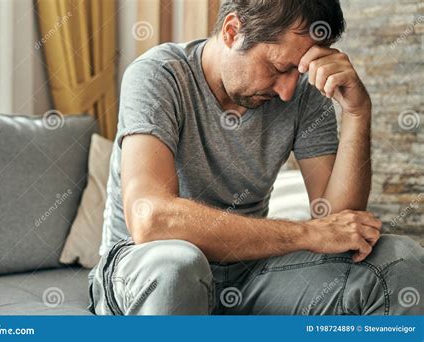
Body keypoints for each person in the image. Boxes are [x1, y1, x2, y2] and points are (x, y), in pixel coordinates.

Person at [89, 0, 423, 315]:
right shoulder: (159, 74)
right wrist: (305, 233)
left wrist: (357, 111)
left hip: (249, 274)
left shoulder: (303, 92)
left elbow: (338, 226)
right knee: (177, 265)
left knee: (398, 259)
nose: (288, 90)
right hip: (144, 268)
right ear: (233, 31)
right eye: (279, 67)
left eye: (299, 71)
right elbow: (152, 219)